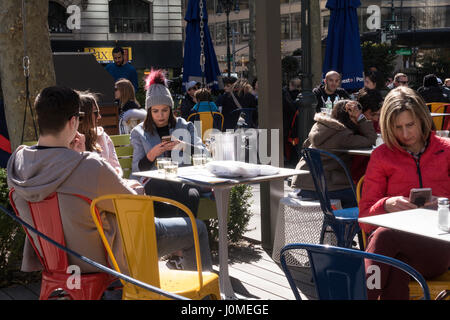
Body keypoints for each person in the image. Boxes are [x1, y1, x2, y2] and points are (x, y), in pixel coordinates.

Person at [7, 86, 213, 279]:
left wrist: (77, 156)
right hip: (106, 256)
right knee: (196, 229)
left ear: (39, 118)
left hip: (55, 260)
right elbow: (135, 206)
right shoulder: (89, 166)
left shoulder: (18, 163)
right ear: (72, 122)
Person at [358, 86, 450, 300]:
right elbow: (364, 221)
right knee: (396, 269)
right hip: (396, 252)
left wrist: (443, 205)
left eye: (410, 125)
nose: (406, 134)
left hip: (439, 246)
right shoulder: (382, 156)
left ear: (421, 119)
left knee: (384, 236)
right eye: (398, 127)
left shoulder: (446, 150)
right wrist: (386, 205)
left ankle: (362, 297)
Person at [291, 100, 377, 208]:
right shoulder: (343, 135)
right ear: (348, 117)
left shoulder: (320, 126)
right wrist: (361, 119)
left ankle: (333, 223)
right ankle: (348, 224)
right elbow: (371, 139)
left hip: (301, 183)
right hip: (320, 186)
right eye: (355, 116)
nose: (357, 120)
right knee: (361, 197)